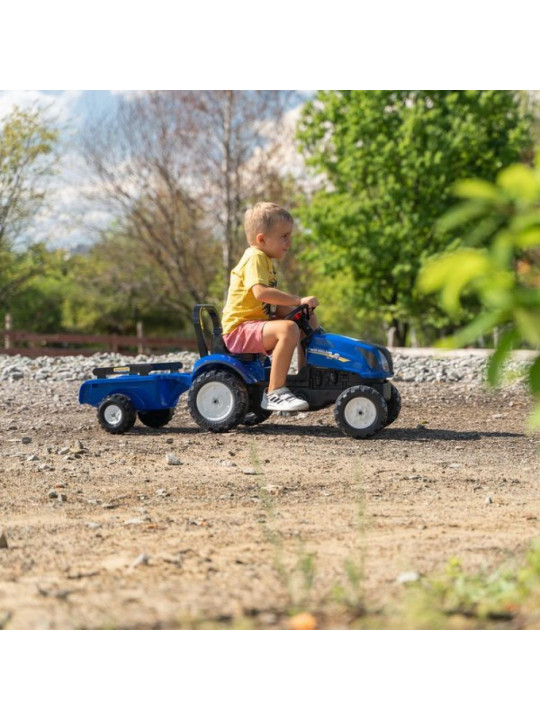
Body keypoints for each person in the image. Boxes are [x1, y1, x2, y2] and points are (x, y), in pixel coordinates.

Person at [221, 202, 319, 412]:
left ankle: (307, 375)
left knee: (306, 317)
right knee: (288, 328)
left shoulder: (266, 260)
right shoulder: (255, 257)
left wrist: (300, 309)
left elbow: (268, 304)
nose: (289, 242)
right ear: (262, 239)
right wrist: (296, 300)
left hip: (255, 324)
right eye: (284, 236)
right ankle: (275, 392)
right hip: (239, 330)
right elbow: (261, 293)